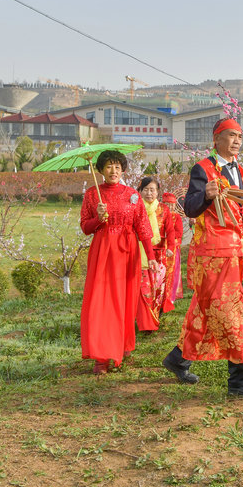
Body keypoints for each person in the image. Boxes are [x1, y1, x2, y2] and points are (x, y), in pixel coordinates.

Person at [162, 118, 243, 397]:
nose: (236, 141)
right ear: (217, 138)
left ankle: (177, 359)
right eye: (231, 136)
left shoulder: (241, 173)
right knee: (232, 312)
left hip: (236, 254)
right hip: (213, 254)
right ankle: (240, 380)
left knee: (207, 310)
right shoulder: (203, 169)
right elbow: (191, 208)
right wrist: (207, 195)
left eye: (240, 137)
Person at [79, 150, 154, 375]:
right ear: (101, 170)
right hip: (103, 252)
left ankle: (123, 348)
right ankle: (101, 357)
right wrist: (97, 219)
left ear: (123, 170)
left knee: (125, 300)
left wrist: (150, 257)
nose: (114, 171)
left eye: (118, 167)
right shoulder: (93, 194)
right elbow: (85, 227)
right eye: (109, 167)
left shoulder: (133, 194)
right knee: (101, 301)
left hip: (128, 253)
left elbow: (143, 227)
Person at [136, 177, 175, 332]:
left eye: (152, 190)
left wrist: (170, 246)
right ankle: (146, 322)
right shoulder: (137, 208)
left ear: (158, 192)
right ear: (140, 191)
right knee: (144, 286)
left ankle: (155, 316)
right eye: (146, 189)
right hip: (141, 253)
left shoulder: (164, 209)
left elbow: (170, 230)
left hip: (159, 254)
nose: (149, 193)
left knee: (158, 287)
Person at [162, 191, 185, 303]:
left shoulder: (177, 217)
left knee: (173, 270)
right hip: (161, 246)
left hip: (172, 247)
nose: (170, 206)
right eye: (167, 204)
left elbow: (179, 233)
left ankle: (171, 293)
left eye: (172, 204)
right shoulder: (159, 215)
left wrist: (169, 236)